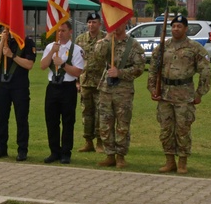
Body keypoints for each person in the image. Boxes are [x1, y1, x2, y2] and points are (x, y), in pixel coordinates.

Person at [148, 15, 211, 174]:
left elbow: (206, 71)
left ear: (186, 28)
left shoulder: (194, 47)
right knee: (166, 129)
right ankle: (169, 161)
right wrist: (152, 89)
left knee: (183, 129)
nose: (176, 29)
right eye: (173, 26)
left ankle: (182, 162)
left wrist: (200, 93)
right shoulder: (163, 46)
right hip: (165, 94)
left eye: (179, 26)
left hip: (184, 94)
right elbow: (153, 69)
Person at [89, 24, 144, 168]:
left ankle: (120, 156)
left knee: (122, 125)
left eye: (119, 24)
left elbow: (139, 68)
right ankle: (109, 155)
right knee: (105, 124)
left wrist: (120, 73)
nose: (116, 27)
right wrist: (107, 38)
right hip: (106, 89)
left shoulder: (133, 45)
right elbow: (97, 57)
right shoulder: (105, 42)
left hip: (123, 91)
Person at [39, 22, 85, 164]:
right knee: (51, 121)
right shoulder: (50, 47)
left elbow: (78, 71)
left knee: (68, 121)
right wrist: (52, 51)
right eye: (58, 31)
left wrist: (63, 64)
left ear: (70, 31)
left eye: (63, 30)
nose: (60, 33)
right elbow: (42, 66)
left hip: (68, 87)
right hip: (53, 87)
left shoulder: (76, 50)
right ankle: (54, 151)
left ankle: (66, 152)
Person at [0, 28, 36, 161]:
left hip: (19, 87)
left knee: (21, 119)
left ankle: (22, 150)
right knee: (1, 118)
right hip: (2, 86)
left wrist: (12, 55)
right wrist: (2, 41)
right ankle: (1, 148)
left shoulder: (27, 43)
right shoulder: (5, 42)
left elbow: (29, 65)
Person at [75, 12, 103, 152]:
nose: (91, 25)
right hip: (85, 82)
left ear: (100, 23)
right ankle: (88, 142)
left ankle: (100, 142)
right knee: (86, 113)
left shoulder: (105, 38)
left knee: (100, 113)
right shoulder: (80, 39)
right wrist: (77, 82)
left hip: (101, 83)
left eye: (94, 22)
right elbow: (75, 61)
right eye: (89, 22)